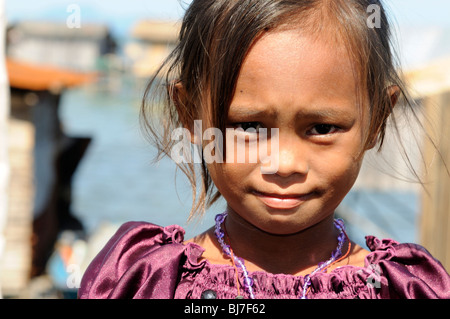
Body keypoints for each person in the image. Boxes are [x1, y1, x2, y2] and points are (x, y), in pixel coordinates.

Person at [78, 0, 450, 299]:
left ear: (378, 122)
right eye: (250, 127)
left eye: (322, 128)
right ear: (190, 114)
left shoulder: (404, 289)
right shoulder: (145, 282)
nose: (284, 164)